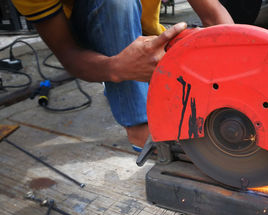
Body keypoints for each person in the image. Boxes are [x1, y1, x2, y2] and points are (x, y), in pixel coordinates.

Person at [11, 0, 234, 150]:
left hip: (144, 30)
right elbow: (68, 53)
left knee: (198, 41)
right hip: (87, 40)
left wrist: (241, 77)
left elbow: (214, 16)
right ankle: (140, 126)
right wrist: (116, 68)